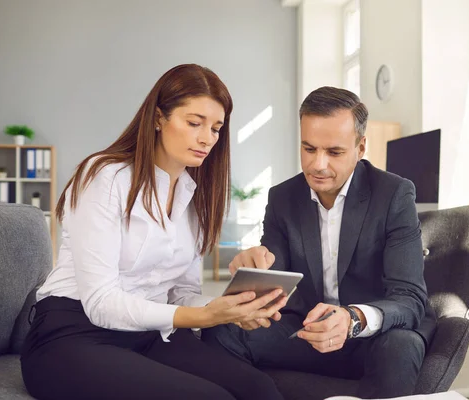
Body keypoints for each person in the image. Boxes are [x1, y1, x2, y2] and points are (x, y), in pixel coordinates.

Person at [20, 64, 286, 400]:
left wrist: (231, 308)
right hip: (73, 333)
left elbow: (181, 295)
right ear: (159, 118)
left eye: (216, 128)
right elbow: (101, 302)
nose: (207, 138)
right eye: (194, 123)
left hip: (150, 333)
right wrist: (203, 316)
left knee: (258, 389)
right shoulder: (105, 176)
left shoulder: (195, 197)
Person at [203, 86, 437, 399]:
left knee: (401, 345)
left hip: (372, 335)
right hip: (307, 331)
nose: (318, 165)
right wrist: (255, 271)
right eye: (309, 149)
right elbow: (275, 276)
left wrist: (352, 319)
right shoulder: (283, 198)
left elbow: (409, 297)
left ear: (361, 146)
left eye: (334, 152)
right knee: (220, 330)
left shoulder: (394, 194)